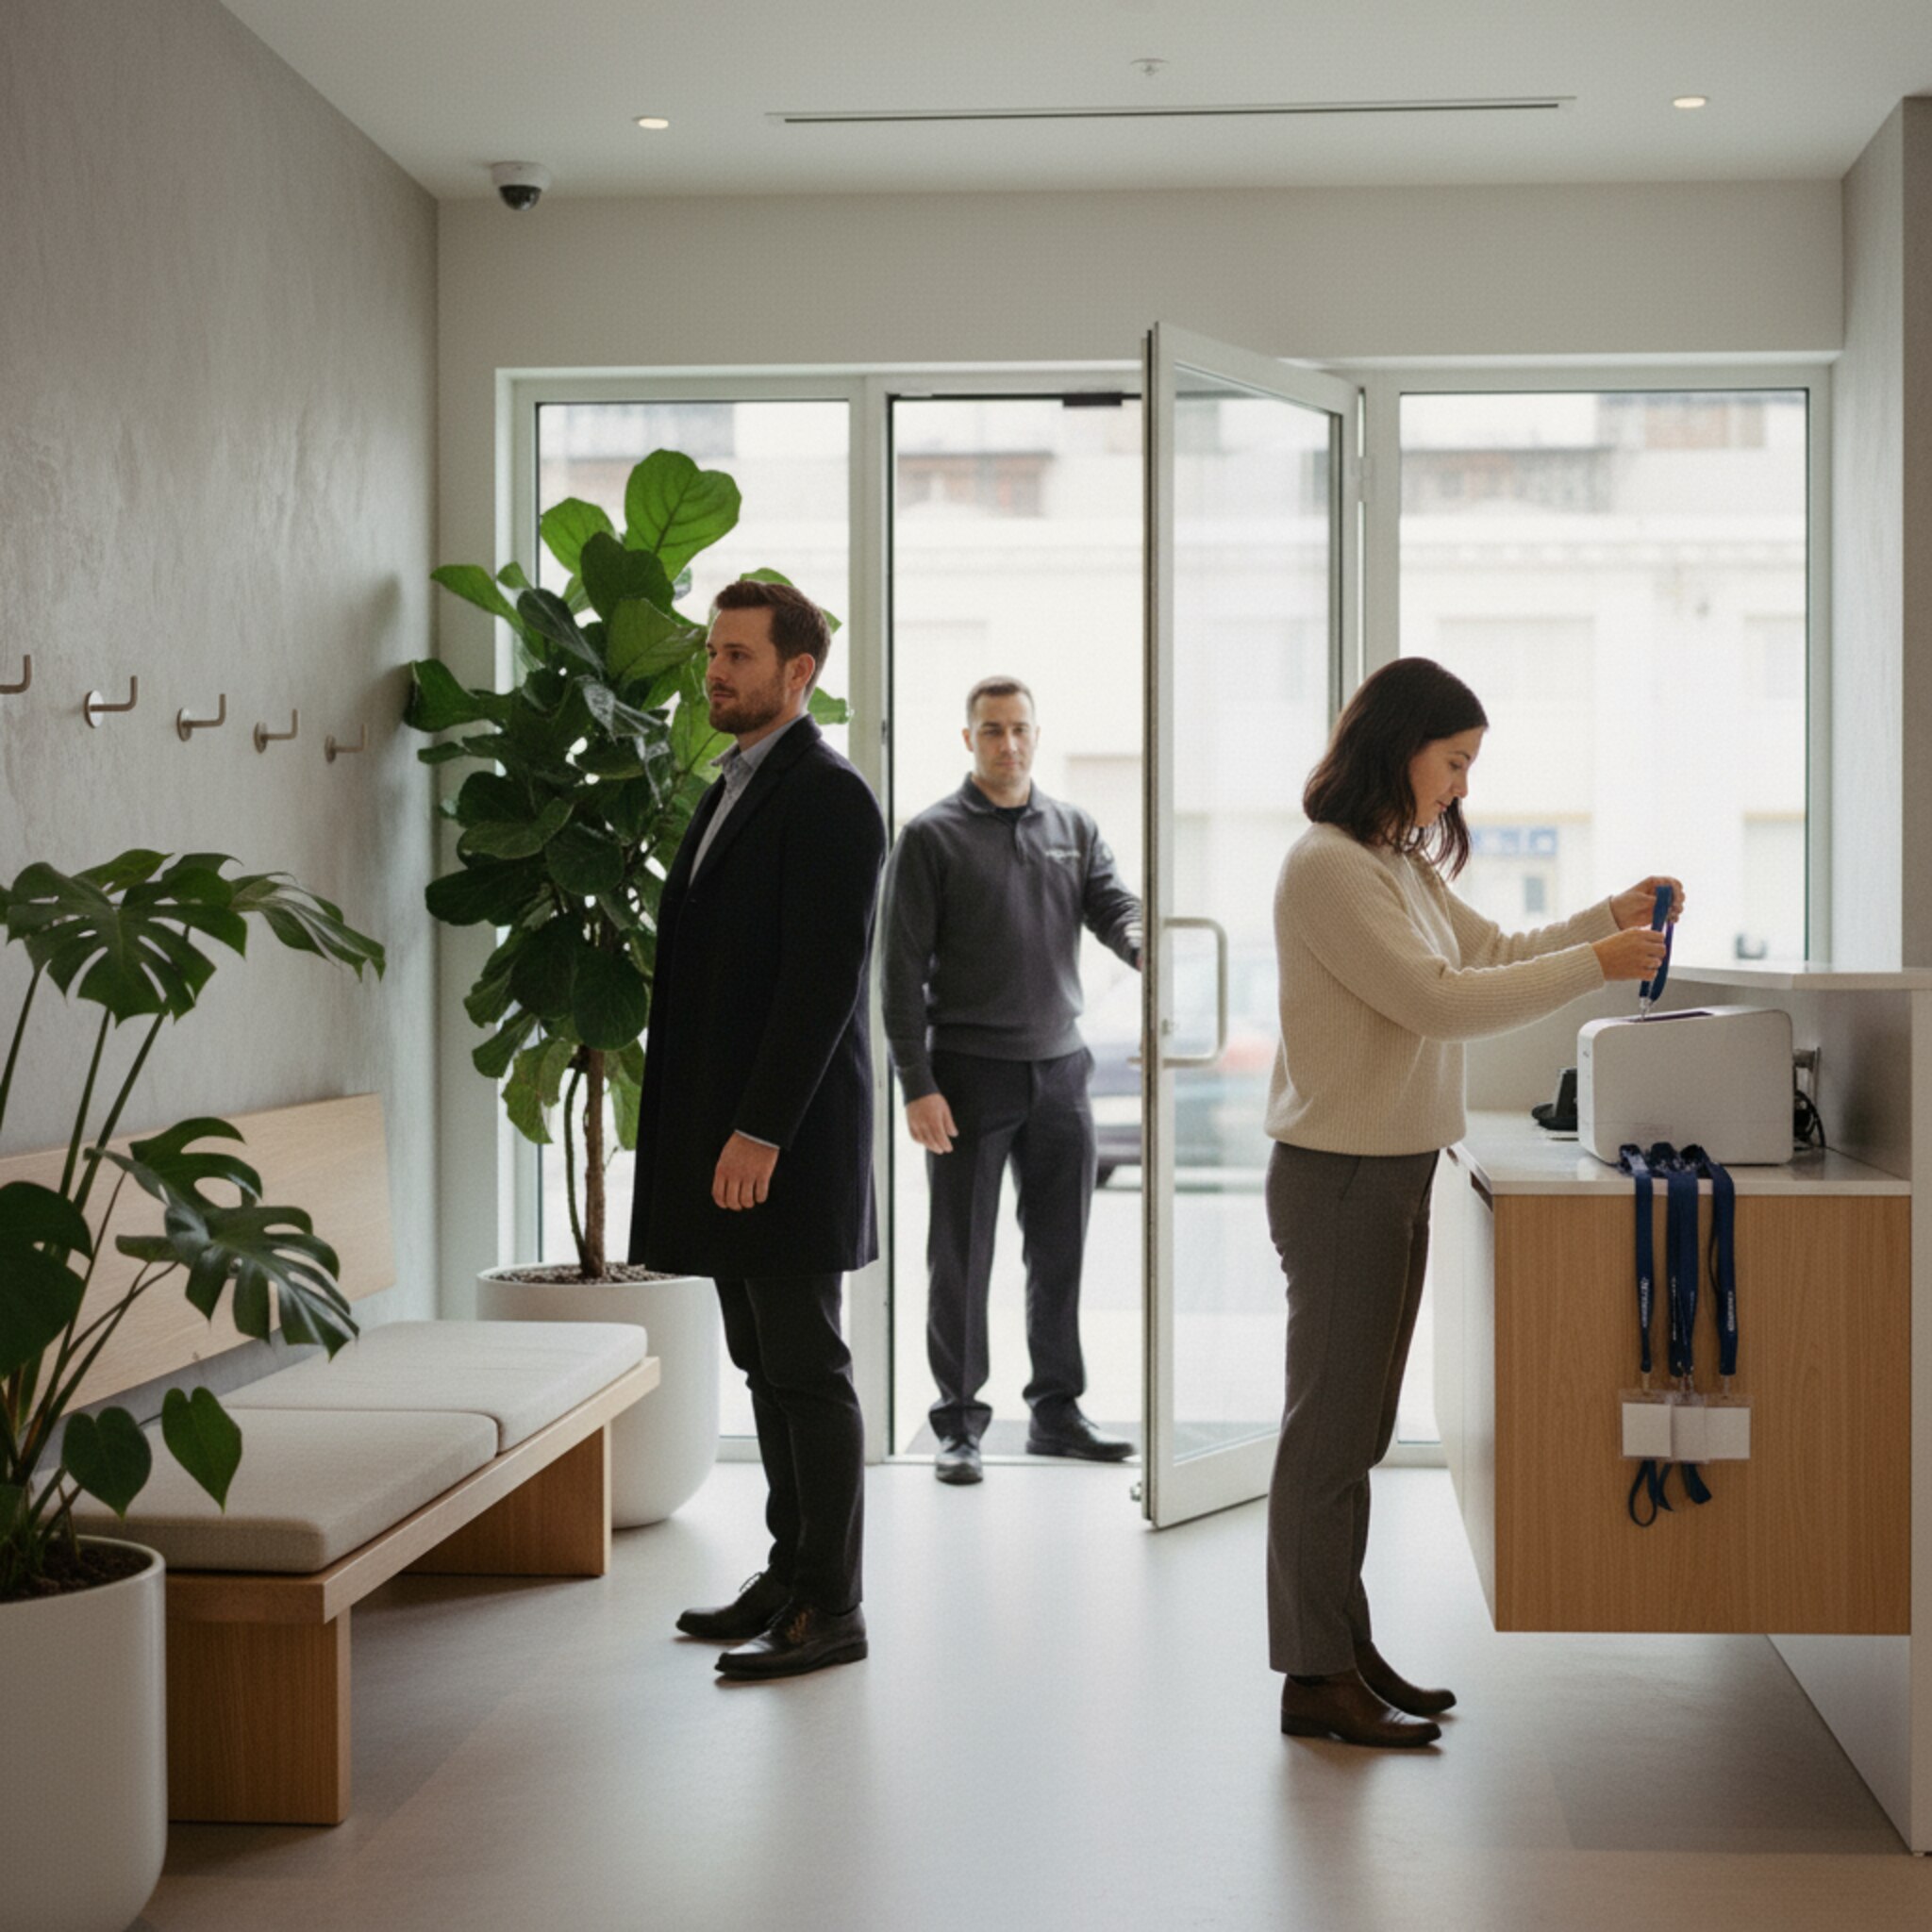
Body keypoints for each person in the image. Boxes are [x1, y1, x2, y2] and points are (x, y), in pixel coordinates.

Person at [1266, 657, 1680, 1747]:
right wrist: (1599, 959)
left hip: (1393, 1168)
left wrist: (1603, 915)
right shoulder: (1328, 868)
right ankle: (1313, 1673)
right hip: (1343, 1177)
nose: (1457, 785)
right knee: (1328, 1437)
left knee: (1350, 1432)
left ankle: (1336, 1643)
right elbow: (1434, 1001)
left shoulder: (1390, 862)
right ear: (1394, 746)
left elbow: (1485, 951)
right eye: (1451, 762)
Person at [628, 578, 886, 1682]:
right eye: (713, 651)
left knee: (805, 1362)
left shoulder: (828, 795)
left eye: (738, 654)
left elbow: (820, 985)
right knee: (760, 1361)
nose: (715, 671)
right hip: (724, 1133)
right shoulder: (733, 782)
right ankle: (788, 1573)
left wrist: (760, 1132)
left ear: (798, 673)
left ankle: (832, 1604)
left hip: (779, 1141)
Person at [881, 675, 1142, 1486]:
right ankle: (958, 1423)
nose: (1009, 744)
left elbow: (1112, 908)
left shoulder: (1074, 826)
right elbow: (895, 974)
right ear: (969, 739)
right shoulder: (930, 836)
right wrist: (916, 1082)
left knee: (1059, 1250)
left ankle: (1057, 1412)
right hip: (966, 1076)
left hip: (1062, 1072)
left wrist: (1141, 940)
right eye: (992, 730)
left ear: (1036, 732)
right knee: (959, 1256)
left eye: (1020, 728)